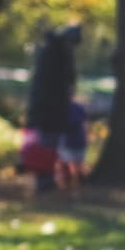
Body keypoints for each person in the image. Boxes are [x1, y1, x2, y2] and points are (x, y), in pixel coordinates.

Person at [24, 24, 80, 192]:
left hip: (49, 110)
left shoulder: (51, 53)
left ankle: (47, 178)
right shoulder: (58, 56)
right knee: (47, 145)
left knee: (49, 144)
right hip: (50, 111)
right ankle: (45, 180)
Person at [55, 98, 88, 191]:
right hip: (74, 140)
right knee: (72, 166)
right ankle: (72, 187)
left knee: (71, 165)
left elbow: (84, 124)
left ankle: (73, 186)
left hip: (71, 140)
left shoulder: (73, 107)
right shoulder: (77, 107)